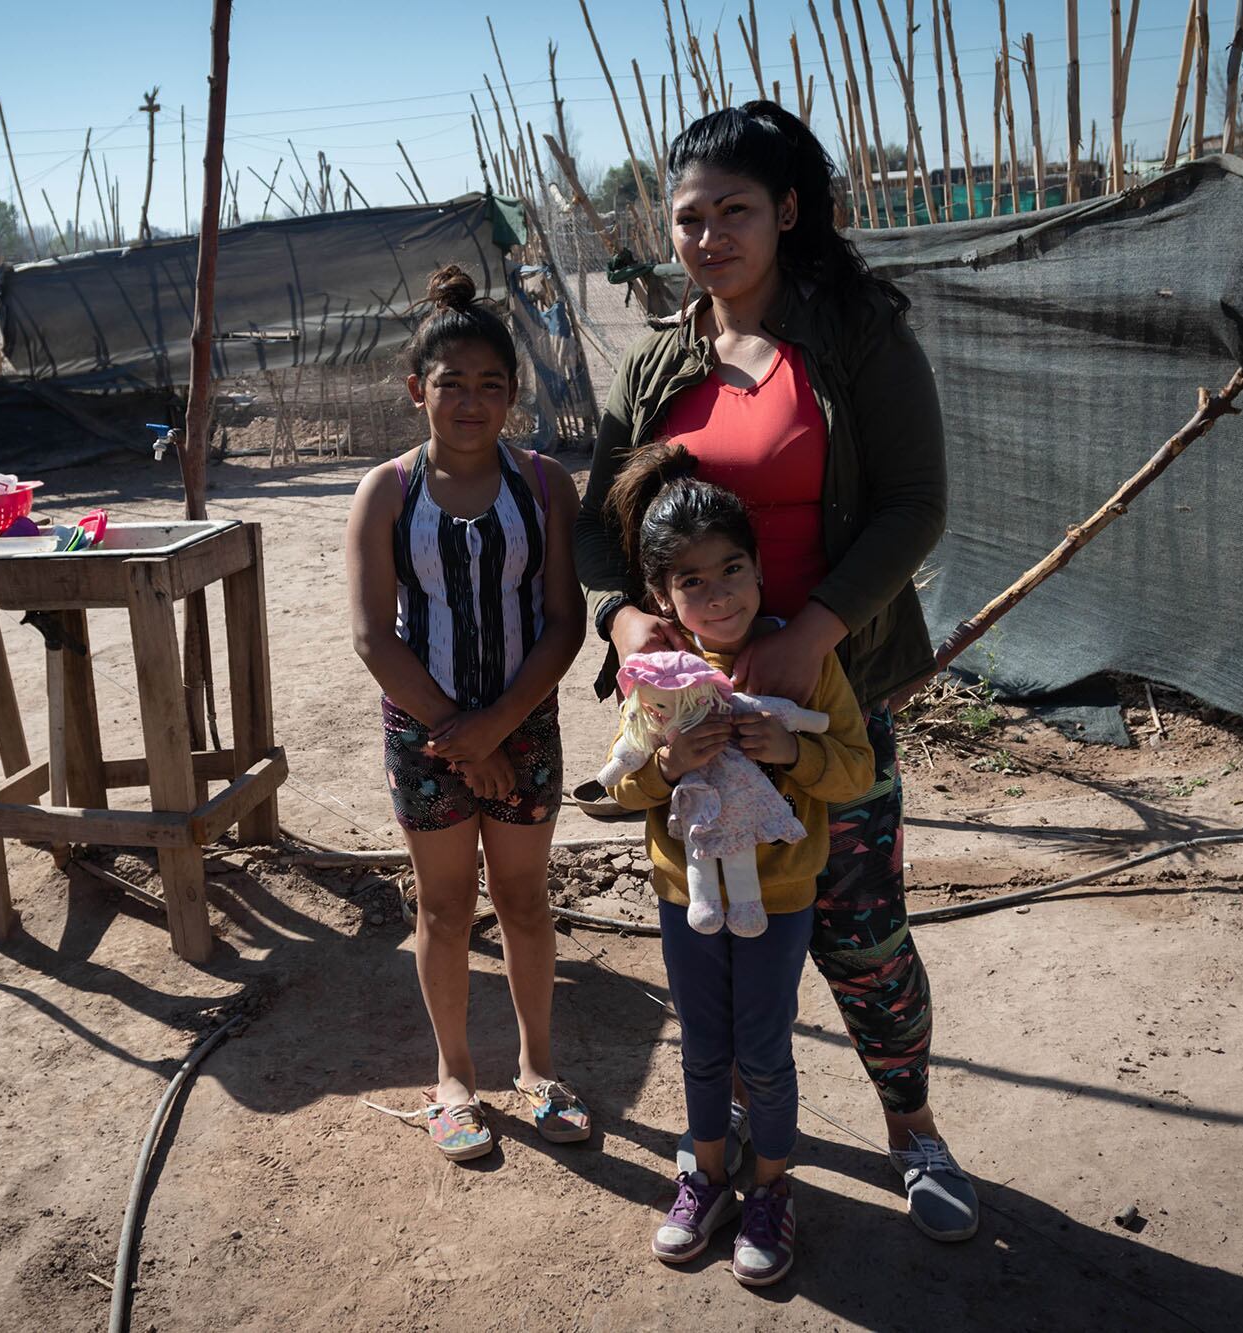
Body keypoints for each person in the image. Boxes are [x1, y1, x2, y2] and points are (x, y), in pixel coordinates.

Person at [574, 101, 980, 1242]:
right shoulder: (659, 358)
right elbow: (595, 525)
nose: (707, 237)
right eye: (688, 217)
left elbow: (914, 501)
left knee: (856, 929)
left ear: (787, 211)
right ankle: (745, 1165)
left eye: (733, 211)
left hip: (823, 694)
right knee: (717, 940)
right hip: (696, 710)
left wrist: (813, 631)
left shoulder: (852, 332)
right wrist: (619, 625)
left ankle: (913, 1134)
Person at [602, 454, 875, 1285]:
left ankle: (771, 1187)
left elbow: (856, 770)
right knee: (702, 1048)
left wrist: (793, 748)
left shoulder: (801, 661)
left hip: (781, 898)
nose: (718, 595)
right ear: (660, 597)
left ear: (759, 568)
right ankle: (706, 1177)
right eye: (691, 582)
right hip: (687, 896)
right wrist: (673, 762)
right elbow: (621, 778)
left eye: (732, 570)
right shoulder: (654, 680)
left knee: (763, 1048)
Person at [347, 264, 589, 1162]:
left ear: (513, 395)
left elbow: (564, 623)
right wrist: (459, 733)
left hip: (522, 724)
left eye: (492, 385)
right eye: (452, 384)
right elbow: (375, 638)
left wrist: (496, 729)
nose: (472, 402)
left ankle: (536, 1070)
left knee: (526, 902)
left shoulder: (544, 486)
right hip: (424, 732)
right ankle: (453, 1080)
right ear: (419, 391)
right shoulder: (386, 492)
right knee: (445, 909)